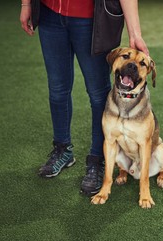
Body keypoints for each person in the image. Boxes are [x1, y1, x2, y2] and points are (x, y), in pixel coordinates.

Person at [20, 0, 149, 196]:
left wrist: (135, 33)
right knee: (57, 89)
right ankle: (63, 149)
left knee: (98, 94)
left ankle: (98, 159)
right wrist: (26, 4)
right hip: (50, 14)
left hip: (92, 19)